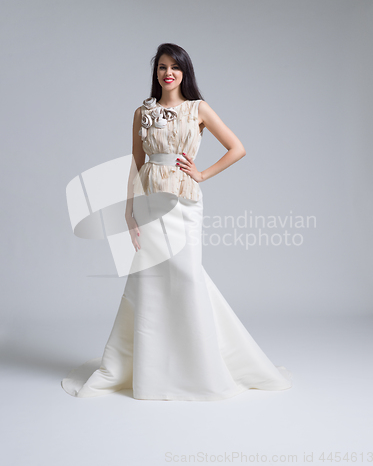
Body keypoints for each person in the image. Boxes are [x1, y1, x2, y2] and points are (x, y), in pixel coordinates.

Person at [61, 43, 293, 401]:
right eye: (162, 67)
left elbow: (237, 147)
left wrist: (201, 174)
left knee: (187, 277)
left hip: (184, 204)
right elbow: (137, 164)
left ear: (185, 73)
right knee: (149, 281)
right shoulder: (142, 112)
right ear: (156, 73)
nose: (168, 73)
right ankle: (151, 372)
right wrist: (128, 211)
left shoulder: (198, 109)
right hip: (149, 202)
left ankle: (200, 368)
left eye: (175, 67)